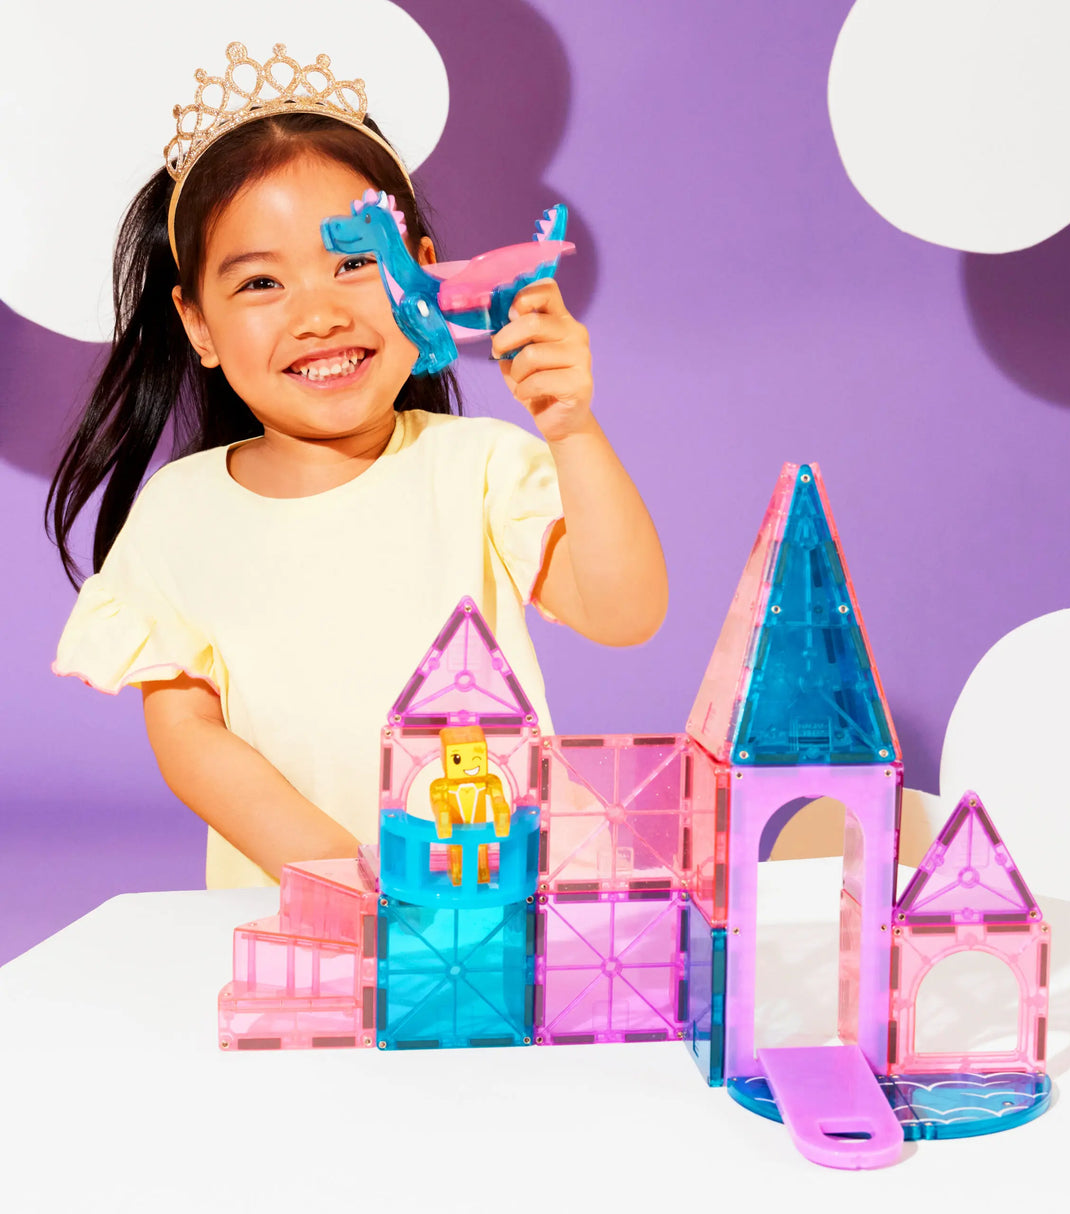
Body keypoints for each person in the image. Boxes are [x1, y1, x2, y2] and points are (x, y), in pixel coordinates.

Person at [45, 43, 667, 890]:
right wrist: (351, 882)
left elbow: (626, 611)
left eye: (355, 262)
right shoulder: (182, 512)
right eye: (262, 284)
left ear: (422, 272)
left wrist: (574, 429)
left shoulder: (477, 469)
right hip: (312, 915)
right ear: (197, 325)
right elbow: (190, 737)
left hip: (499, 903)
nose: (320, 314)